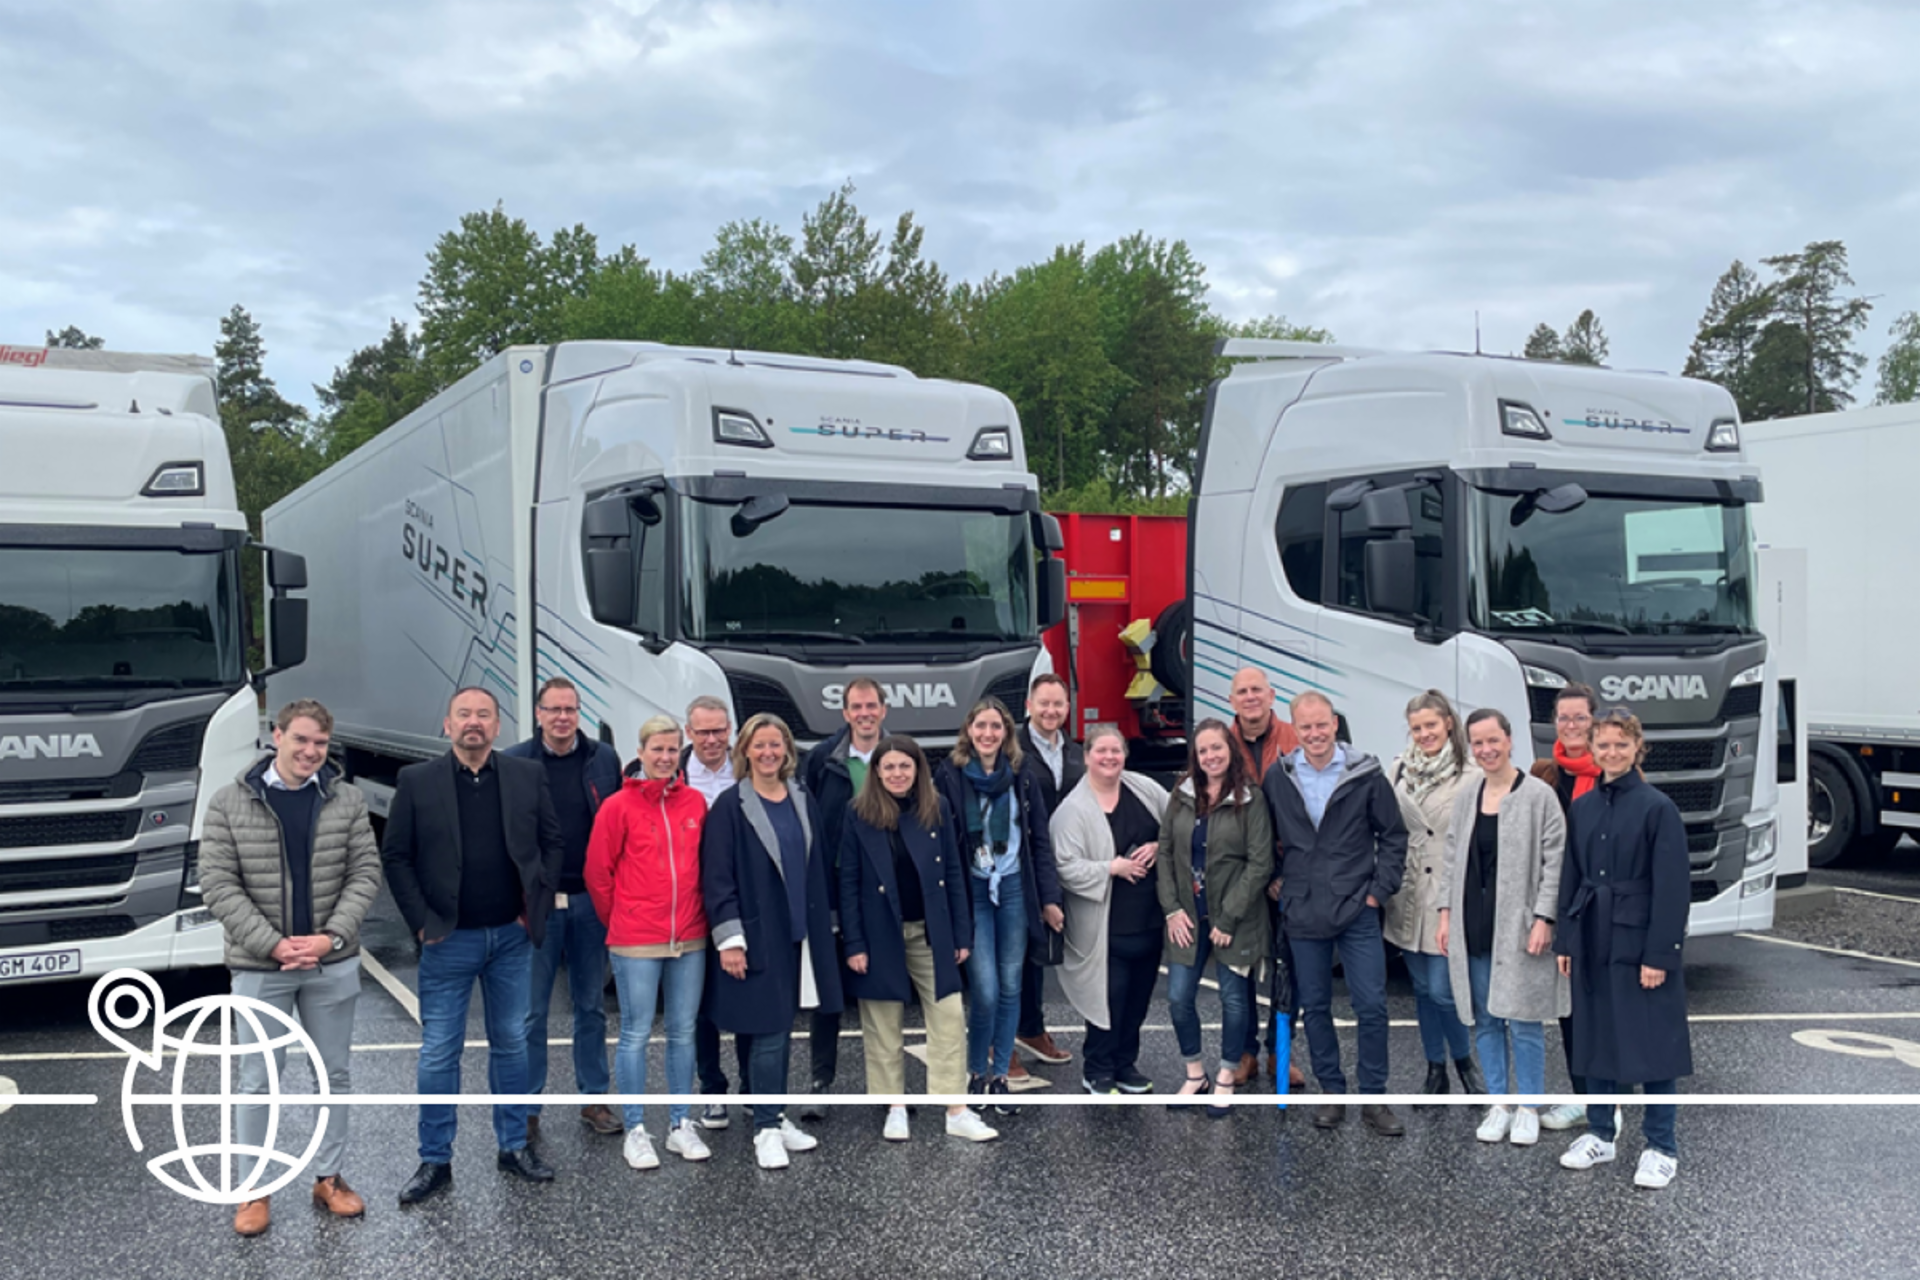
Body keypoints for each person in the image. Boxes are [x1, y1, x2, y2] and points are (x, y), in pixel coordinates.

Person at [201, 698, 382, 1237]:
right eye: (300, 740)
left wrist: (330, 938)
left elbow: (365, 873)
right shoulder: (229, 802)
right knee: (258, 1082)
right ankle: (254, 1189)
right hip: (261, 967)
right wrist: (275, 945)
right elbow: (218, 883)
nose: (310, 752)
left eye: (320, 744)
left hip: (332, 962)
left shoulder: (346, 800)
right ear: (275, 735)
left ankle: (329, 1178)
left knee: (334, 1076)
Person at [385, 687, 565, 1205]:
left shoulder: (526, 776)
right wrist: (422, 922)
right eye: (464, 714)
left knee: (511, 1043)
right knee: (440, 1051)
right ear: (447, 725)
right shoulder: (417, 781)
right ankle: (435, 1160)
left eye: (484, 715)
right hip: (448, 939)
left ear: (498, 726)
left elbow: (551, 842)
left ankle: (513, 1148)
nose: (474, 723)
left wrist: (539, 897)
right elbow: (396, 856)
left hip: (511, 937)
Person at [1555, 709, 1693, 1190]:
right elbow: (1571, 876)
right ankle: (1600, 1132)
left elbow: (1673, 888)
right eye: (1603, 745)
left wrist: (1660, 954)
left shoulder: (1658, 808)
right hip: (1592, 934)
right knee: (1594, 1037)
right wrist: (1566, 939)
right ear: (1592, 749)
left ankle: (1661, 1145)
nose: (1611, 753)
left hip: (1639, 943)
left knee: (1652, 1042)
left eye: (1621, 744)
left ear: (1638, 747)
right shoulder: (1584, 807)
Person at [702, 713, 844, 1170]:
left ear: (787, 750)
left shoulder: (802, 798)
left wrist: (831, 925)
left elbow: (818, 865)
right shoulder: (729, 806)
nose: (768, 753)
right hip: (755, 934)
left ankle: (768, 1110)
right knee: (769, 1030)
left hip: (799, 933)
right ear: (744, 750)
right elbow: (718, 878)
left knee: (771, 1026)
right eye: (758, 745)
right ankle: (766, 1126)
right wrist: (730, 940)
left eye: (775, 744)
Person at [1263, 691, 1408, 1136]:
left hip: (1356, 908)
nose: (1315, 734)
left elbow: (1394, 835)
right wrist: (1275, 878)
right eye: (1305, 727)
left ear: (1334, 723)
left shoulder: (1365, 774)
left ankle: (1374, 1099)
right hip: (1304, 910)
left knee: (1372, 1005)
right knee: (1316, 1007)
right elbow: (1262, 833)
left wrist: (1378, 893)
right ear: (1295, 729)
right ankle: (1332, 1092)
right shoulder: (1279, 777)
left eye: (1321, 724)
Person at [839, 735, 997, 1142]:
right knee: (882, 1023)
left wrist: (962, 933)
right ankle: (894, 1106)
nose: (897, 774)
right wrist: (854, 943)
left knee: (948, 1017)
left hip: (932, 931)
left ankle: (955, 1108)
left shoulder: (938, 808)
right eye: (888, 767)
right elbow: (849, 882)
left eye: (905, 766)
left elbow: (957, 875)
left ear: (918, 770)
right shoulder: (858, 814)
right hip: (879, 934)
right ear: (876, 772)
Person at [1436, 709, 1569, 1148]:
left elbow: (1555, 860)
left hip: (1519, 926)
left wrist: (1545, 917)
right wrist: (1445, 913)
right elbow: (1452, 855)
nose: (1486, 749)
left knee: (1525, 1018)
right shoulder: (1468, 793)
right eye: (1478, 743)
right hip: (1473, 922)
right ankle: (1500, 1102)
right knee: (1486, 1018)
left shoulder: (1538, 796)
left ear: (1509, 740)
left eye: (1493, 740)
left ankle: (1529, 1105)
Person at [585, 715, 711, 1170]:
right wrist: (623, 918)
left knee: (682, 1030)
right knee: (636, 1032)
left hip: (690, 935)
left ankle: (681, 1123)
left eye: (672, 750)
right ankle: (636, 1128)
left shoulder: (695, 803)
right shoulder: (618, 806)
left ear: (681, 754)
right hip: (636, 937)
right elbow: (598, 873)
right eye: (656, 749)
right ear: (640, 752)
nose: (664, 757)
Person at [503, 676, 624, 1142]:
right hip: (539, 906)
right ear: (538, 714)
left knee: (591, 1006)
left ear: (579, 713)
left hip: (591, 902)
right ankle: (528, 1105)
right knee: (532, 1011)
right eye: (553, 710)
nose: (562, 718)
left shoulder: (603, 759)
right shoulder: (514, 761)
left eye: (570, 710)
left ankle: (593, 1098)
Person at [934, 696, 1064, 1114]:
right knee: (986, 990)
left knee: (1011, 986)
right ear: (969, 731)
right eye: (981, 726)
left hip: (1011, 888)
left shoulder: (1022, 776)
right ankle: (976, 1071)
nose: (988, 734)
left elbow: (1039, 840)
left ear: (1006, 733)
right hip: (972, 891)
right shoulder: (950, 776)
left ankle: (1000, 1079)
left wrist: (1049, 898)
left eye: (996, 727)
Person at [1156, 718, 1272, 1114]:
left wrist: (1229, 918)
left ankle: (1225, 1075)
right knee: (1178, 998)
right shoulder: (1182, 794)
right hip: (1188, 915)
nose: (1211, 756)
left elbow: (1260, 863)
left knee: (1234, 1001)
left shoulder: (1251, 799)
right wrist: (1171, 909)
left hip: (1233, 919)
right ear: (1196, 756)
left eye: (1217, 748)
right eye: (1203, 751)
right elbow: (1166, 852)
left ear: (1230, 751)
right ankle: (1194, 1074)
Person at [1048, 724, 1171, 1095]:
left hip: (1148, 920)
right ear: (1086, 757)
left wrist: (1156, 844)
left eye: (1115, 750)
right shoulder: (1073, 810)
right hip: (1105, 928)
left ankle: (1125, 1063)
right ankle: (1098, 1067)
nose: (1109, 758)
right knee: (1108, 1000)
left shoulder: (1145, 789)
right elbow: (1064, 866)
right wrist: (1110, 868)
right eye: (1100, 751)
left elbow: (1178, 828)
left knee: (1137, 999)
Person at [1383, 690, 1484, 1101]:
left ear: (1448, 724)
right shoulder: (1397, 771)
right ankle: (1434, 1069)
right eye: (1416, 728)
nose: (1424, 734)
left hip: (1447, 892)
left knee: (1443, 989)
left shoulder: (1472, 774)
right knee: (1421, 989)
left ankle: (1464, 1063)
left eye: (1430, 725)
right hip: (1407, 892)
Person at [797, 677, 887, 1117]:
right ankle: (821, 1081)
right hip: (834, 886)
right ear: (845, 713)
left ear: (883, 710)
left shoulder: (900, 757)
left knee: (879, 990)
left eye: (872, 705)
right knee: (829, 989)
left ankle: (883, 1086)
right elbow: (809, 821)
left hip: (883, 889)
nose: (865, 713)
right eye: (857, 706)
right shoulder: (821, 759)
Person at [1227, 665, 1303, 1089]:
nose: (1251, 697)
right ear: (1231, 701)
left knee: (1288, 969)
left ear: (1272, 695)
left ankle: (1280, 1053)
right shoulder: (1221, 743)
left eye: (1258, 689)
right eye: (1243, 691)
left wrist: (1284, 873)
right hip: (1240, 875)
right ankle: (1243, 1053)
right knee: (1239, 968)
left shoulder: (1295, 739)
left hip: (1288, 874)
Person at [1530, 682, 1600, 1131]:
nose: (1570, 725)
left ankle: (1606, 1097)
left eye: (1580, 717)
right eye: (1563, 717)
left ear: (1594, 721)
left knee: (1604, 1007)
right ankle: (1584, 1096)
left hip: (1602, 905)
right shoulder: (1543, 774)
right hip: (1562, 904)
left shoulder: (1611, 771)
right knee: (1569, 1008)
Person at [1011, 673, 1083, 1079]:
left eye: (1058, 704)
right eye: (1044, 704)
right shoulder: (1013, 751)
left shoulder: (1075, 752)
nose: (1051, 711)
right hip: (1021, 865)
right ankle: (1002, 1043)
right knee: (1015, 955)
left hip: (1063, 862)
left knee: (1040, 953)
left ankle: (1032, 1028)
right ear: (1029, 706)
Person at [681, 695, 747, 1131]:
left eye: (719, 730)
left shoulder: (746, 772)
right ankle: (712, 1089)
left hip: (742, 902)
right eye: (702, 731)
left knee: (745, 997)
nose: (711, 739)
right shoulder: (673, 774)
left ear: (730, 731)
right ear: (689, 733)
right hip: (689, 903)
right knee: (700, 1005)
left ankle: (752, 1086)